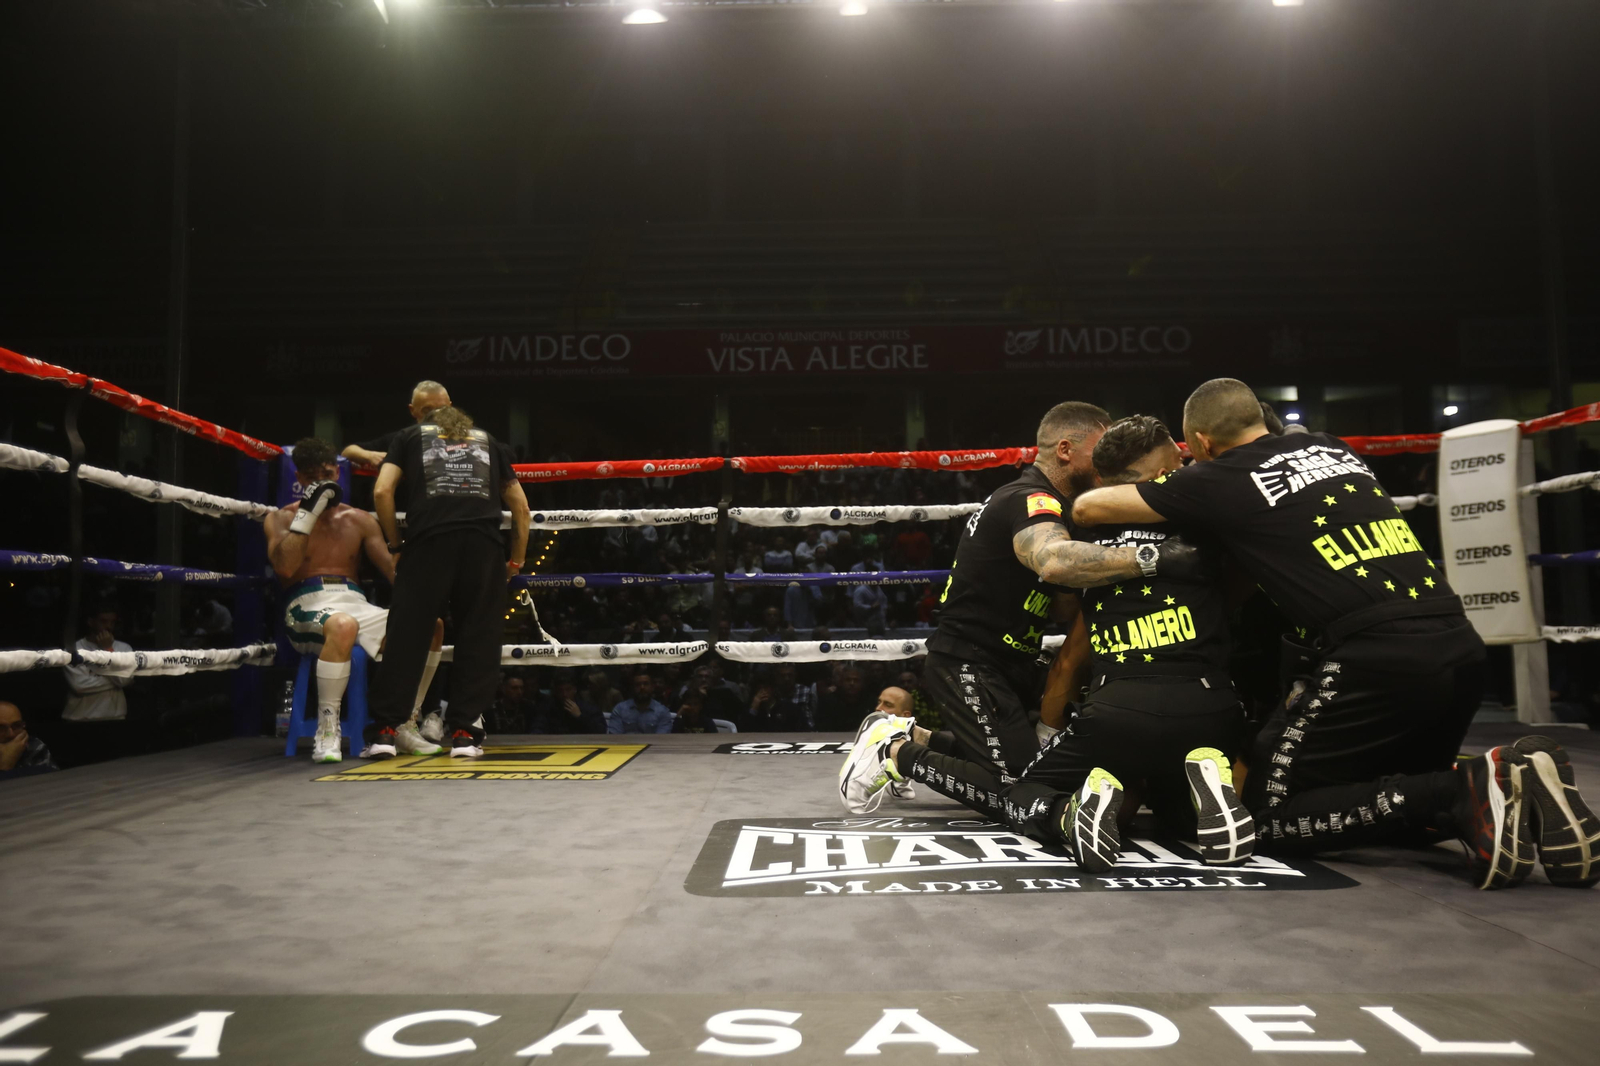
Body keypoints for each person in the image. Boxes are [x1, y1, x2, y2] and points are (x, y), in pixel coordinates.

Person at [1071, 377, 1600, 890]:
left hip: (1376, 657)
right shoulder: (1332, 447)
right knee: (1384, 801)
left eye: (1189, 454)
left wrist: (1171, 487)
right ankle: (1520, 783)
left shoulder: (1220, 475)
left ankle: (1468, 784)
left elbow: (1089, 507)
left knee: (1265, 814)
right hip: (1458, 645)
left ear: (1203, 443)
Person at [838, 401, 1204, 815]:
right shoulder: (1030, 498)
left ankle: (917, 738)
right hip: (968, 660)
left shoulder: (1064, 508)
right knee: (1013, 790)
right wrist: (1150, 557)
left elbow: (1064, 606)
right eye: (1099, 448)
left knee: (1039, 769)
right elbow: (1051, 559)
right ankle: (895, 752)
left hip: (1010, 663)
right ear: (1065, 449)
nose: (1106, 460)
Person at [993, 415, 1252, 870]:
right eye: (1176, 462)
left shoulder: (1086, 539)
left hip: (1119, 712)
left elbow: (1066, 620)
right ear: (1155, 474)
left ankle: (1068, 818)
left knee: (1021, 792)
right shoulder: (1206, 520)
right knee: (1174, 811)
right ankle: (1206, 802)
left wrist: (1048, 733)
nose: (1186, 466)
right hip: (1210, 707)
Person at [266, 438, 444, 763]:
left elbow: (395, 574)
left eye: (329, 472)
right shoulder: (280, 519)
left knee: (430, 625)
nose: (324, 481)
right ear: (301, 479)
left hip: (355, 600)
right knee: (343, 625)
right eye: (314, 476)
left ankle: (406, 721)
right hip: (306, 603)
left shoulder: (360, 519)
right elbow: (285, 567)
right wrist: (307, 514)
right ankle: (328, 730)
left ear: (337, 471)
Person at [369, 405, 531, 758]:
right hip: (482, 547)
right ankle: (464, 734)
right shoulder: (489, 441)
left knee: (406, 634)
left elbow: (382, 492)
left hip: (428, 544)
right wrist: (516, 560)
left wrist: (395, 544)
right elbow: (520, 507)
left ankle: (384, 734)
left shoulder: (409, 437)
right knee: (479, 636)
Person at [61, 607, 133, 766]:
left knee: (114, 771)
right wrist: (114, 680)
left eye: (112, 622)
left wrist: (108, 650)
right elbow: (79, 686)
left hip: (114, 720)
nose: (109, 626)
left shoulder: (123, 648)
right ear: (91, 622)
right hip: (80, 721)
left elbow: (124, 682)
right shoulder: (73, 649)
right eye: (103, 621)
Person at [340, 380, 452, 470]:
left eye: (442, 410)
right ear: (412, 410)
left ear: (451, 408)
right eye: (427, 410)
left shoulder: (464, 438)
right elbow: (348, 451)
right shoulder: (400, 439)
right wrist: (371, 456)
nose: (435, 416)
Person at [0, 701, 59, 780]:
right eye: (1, 728)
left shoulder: (32, 745)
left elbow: (52, 777)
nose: (11, 734)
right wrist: (5, 765)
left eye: (17, 726)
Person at [536, 675, 607, 734]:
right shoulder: (548, 709)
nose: (564, 694)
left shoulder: (589, 708)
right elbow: (538, 729)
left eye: (568, 690)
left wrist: (580, 716)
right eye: (560, 691)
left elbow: (601, 731)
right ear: (556, 692)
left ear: (574, 689)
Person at [608, 671, 674, 734]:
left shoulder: (662, 712)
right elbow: (615, 737)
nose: (642, 687)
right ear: (633, 688)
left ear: (652, 687)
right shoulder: (620, 709)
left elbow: (661, 739)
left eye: (646, 684)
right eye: (638, 685)